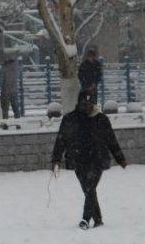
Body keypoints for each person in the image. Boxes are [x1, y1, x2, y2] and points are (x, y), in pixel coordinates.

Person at [51, 89, 127, 229]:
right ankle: (98, 220)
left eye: (89, 102)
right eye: (83, 101)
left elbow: (111, 140)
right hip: (78, 159)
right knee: (88, 190)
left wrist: (120, 158)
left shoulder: (101, 119)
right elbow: (61, 140)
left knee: (90, 188)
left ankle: (85, 219)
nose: (86, 105)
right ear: (78, 102)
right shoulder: (70, 119)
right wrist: (56, 160)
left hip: (98, 159)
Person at [0, 56, 23, 120]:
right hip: (14, 91)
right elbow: (20, 76)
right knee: (16, 109)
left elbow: (0, 80)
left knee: (5, 110)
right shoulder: (16, 67)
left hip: (5, 91)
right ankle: (18, 124)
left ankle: (5, 125)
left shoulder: (4, 67)